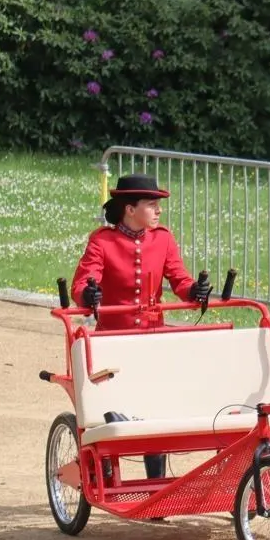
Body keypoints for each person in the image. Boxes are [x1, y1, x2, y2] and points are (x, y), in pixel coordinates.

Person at [71, 172, 211, 480]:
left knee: (154, 408)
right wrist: (88, 294)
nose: (159, 210)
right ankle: (106, 465)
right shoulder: (102, 241)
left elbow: (179, 278)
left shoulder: (163, 239)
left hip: (151, 339)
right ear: (130, 209)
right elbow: (82, 282)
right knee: (111, 407)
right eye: (151, 204)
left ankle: (155, 483)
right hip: (113, 341)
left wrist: (194, 290)